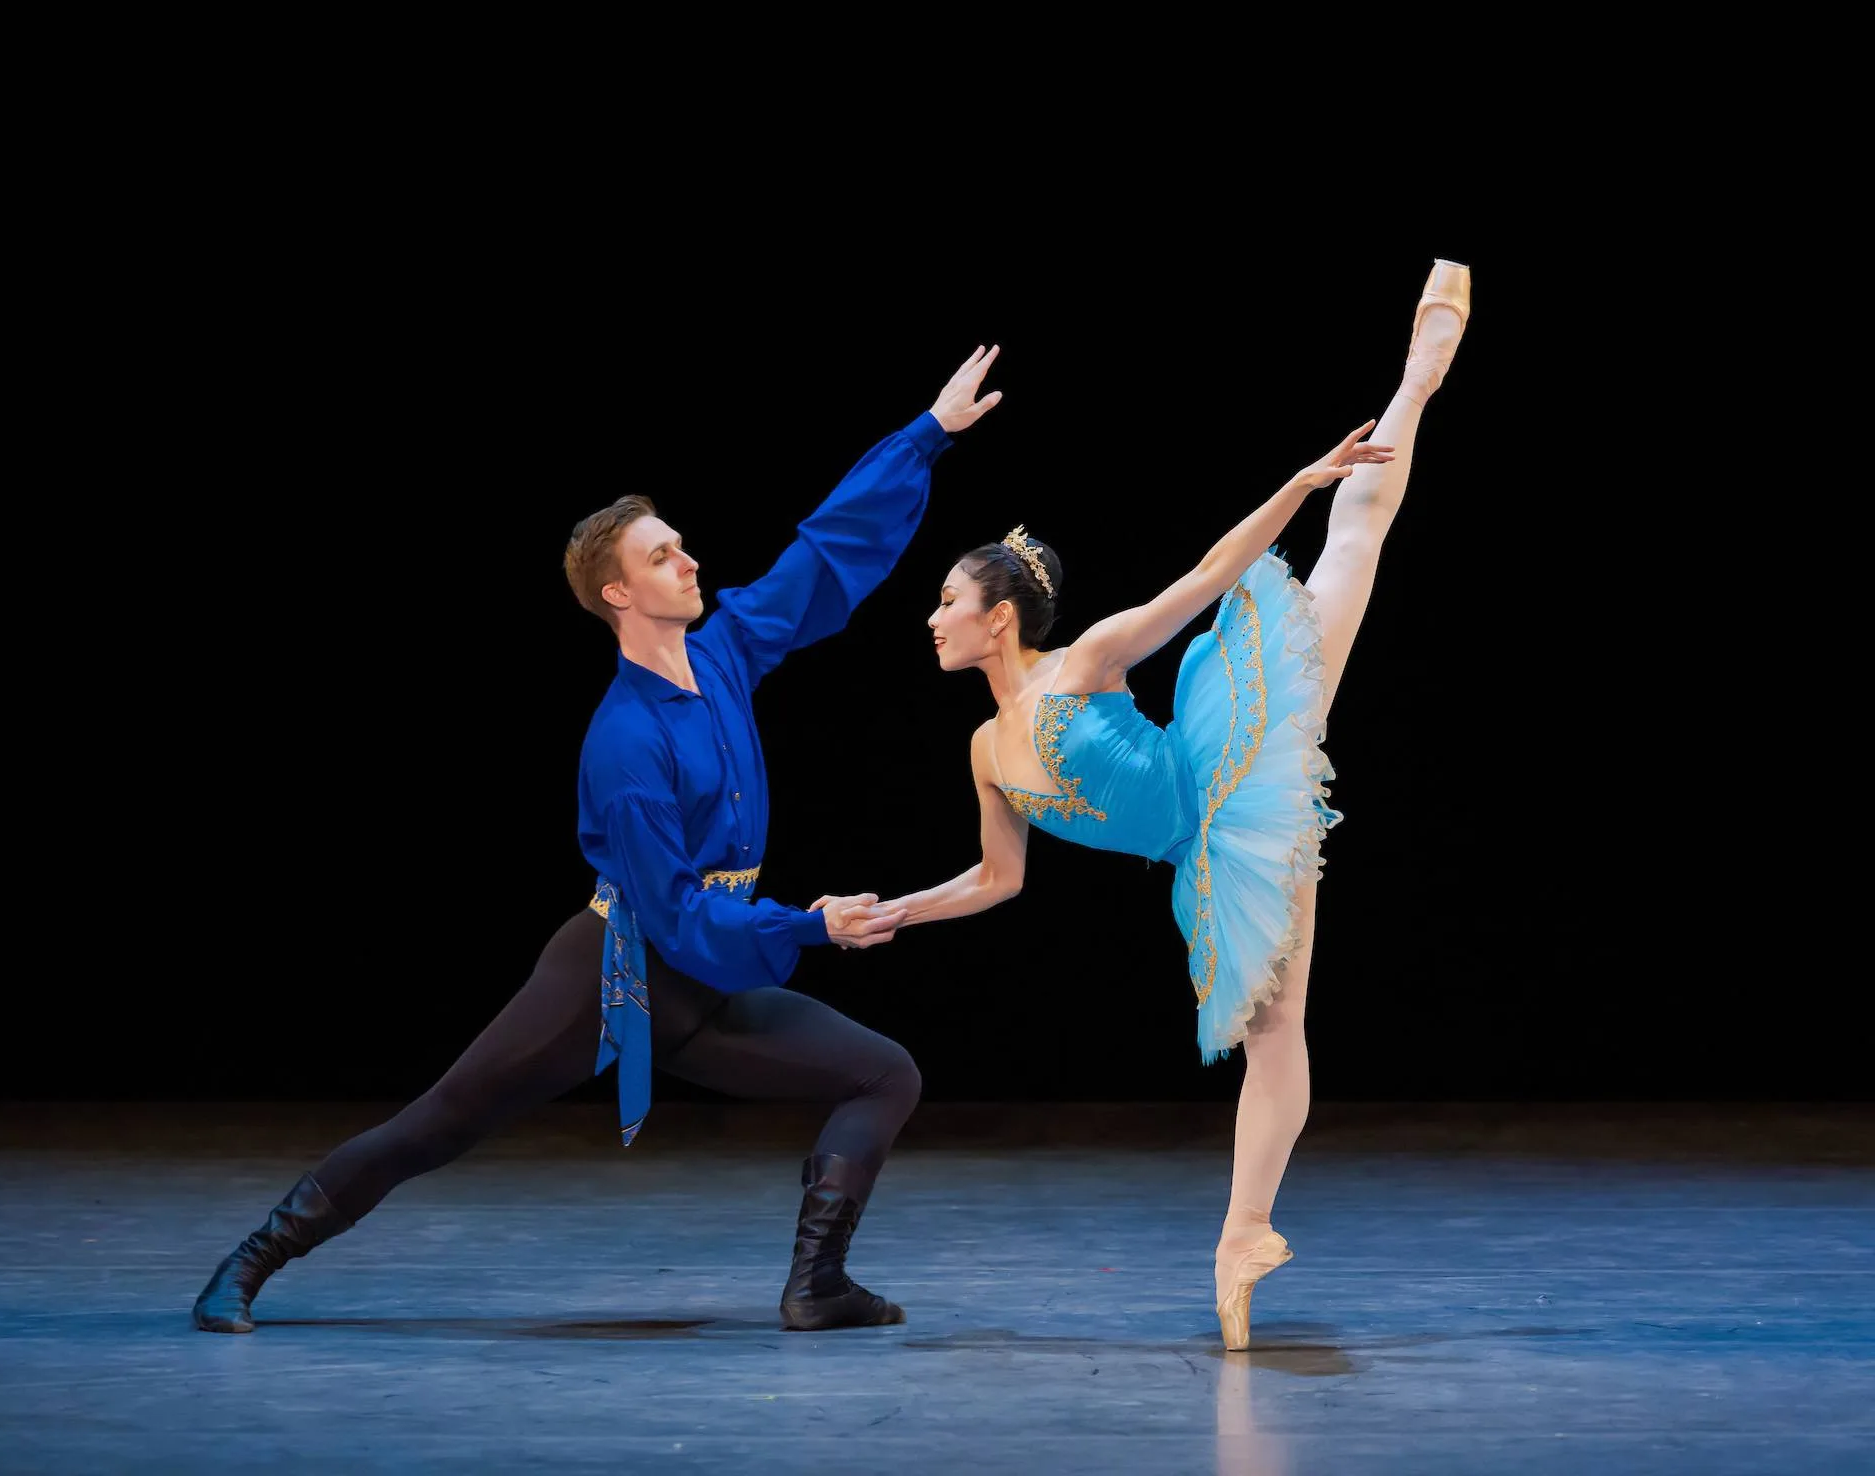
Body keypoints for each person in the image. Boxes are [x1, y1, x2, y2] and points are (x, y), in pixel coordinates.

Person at [191, 346, 1005, 1336]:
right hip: (615, 976)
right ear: (617, 594)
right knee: (435, 1127)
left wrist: (927, 433)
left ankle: (816, 1283)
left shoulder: (729, 648)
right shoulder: (625, 742)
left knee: (887, 1072)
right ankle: (250, 1259)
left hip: (704, 975)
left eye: (681, 545)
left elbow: (823, 557)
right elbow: (673, 913)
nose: (689, 559)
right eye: (662, 555)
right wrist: (811, 924)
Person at [858, 263, 1470, 1349]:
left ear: (1001, 616)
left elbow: (1200, 576)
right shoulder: (984, 750)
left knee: (1350, 542)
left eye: (950, 599)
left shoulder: (1082, 664)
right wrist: (900, 909)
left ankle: (1419, 373)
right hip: (1207, 849)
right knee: (1275, 1025)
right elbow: (999, 880)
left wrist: (1298, 481)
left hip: (1234, 742)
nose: (933, 617)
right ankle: (1244, 1237)